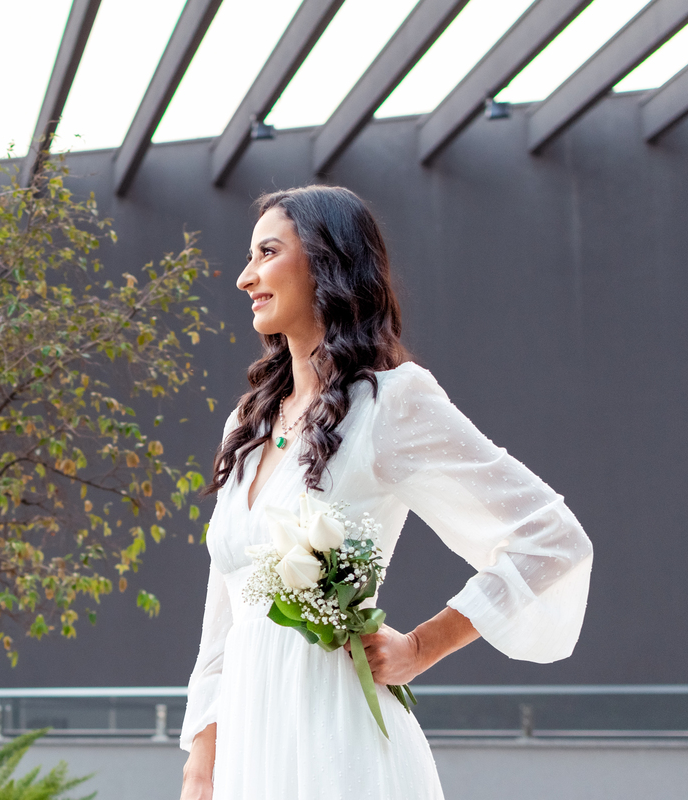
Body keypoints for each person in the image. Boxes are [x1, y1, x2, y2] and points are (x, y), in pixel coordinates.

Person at [178, 186, 593, 800]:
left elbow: (553, 539)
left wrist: (423, 646)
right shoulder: (247, 424)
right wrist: (202, 762)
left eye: (267, 252)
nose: (245, 277)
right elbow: (225, 611)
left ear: (326, 261)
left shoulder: (392, 403)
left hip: (338, 744)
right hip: (251, 748)